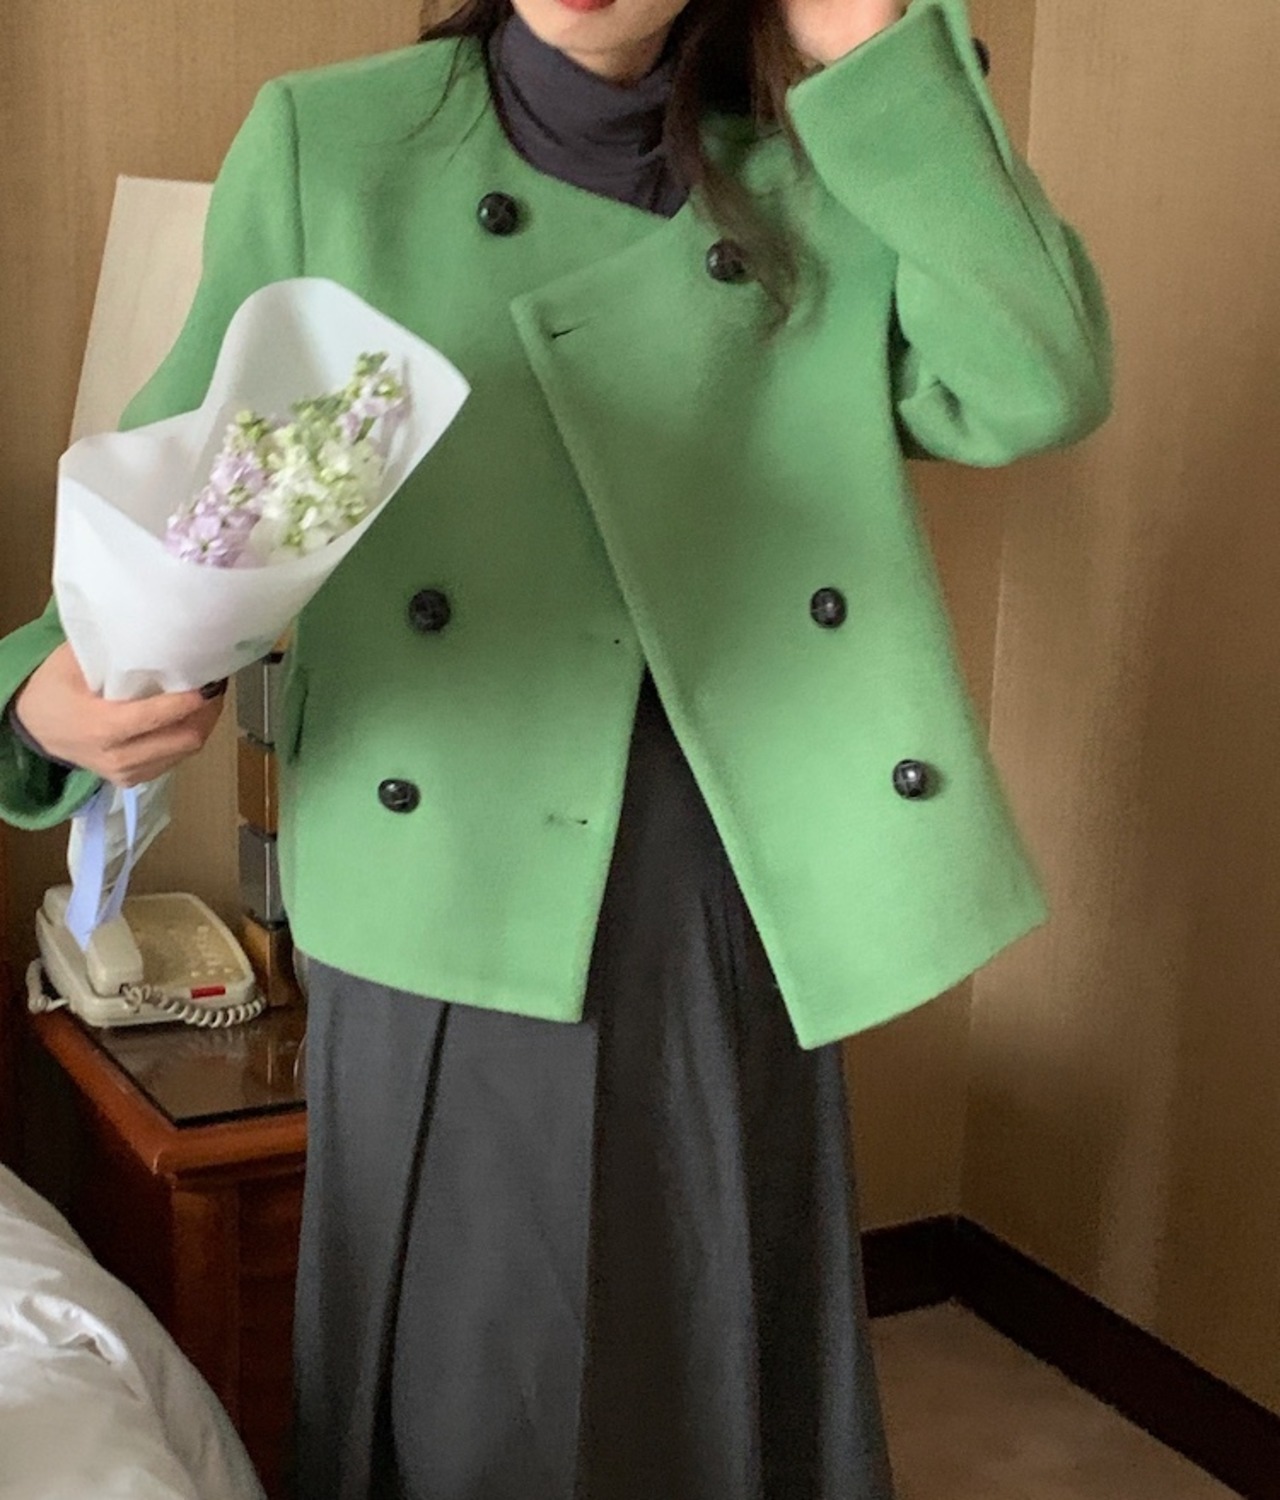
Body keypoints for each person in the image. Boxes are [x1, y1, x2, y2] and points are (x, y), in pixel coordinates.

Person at [0, 0, 1112, 1495]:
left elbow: (1036, 382)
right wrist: (39, 697)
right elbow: (199, 493)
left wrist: (878, 48)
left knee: (718, 1337)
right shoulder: (338, 143)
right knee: (477, 1392)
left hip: (736, 861)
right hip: (445, 868)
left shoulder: (830, 151)